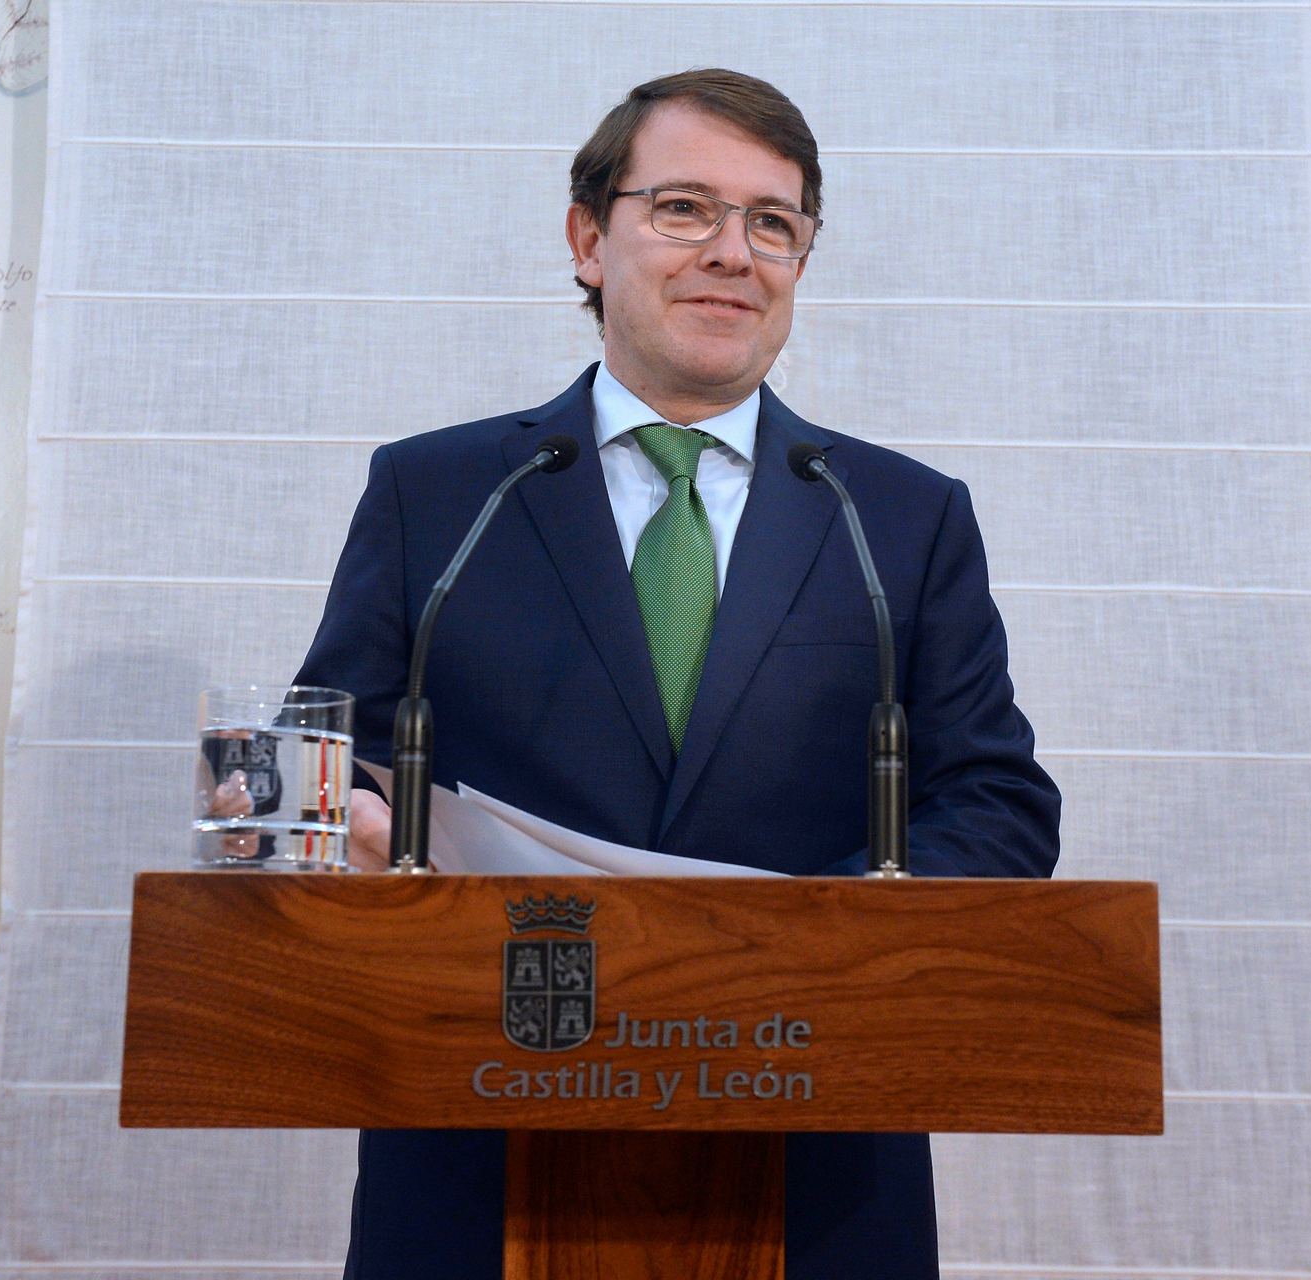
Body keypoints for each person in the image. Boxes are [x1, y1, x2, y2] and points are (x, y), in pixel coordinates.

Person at [294, 68, 1060, 1280]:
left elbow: (998, 803)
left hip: (811, 1141)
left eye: (773, 222)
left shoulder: (898, 520)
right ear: (590, 239)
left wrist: (819, 941)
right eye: (686, 209)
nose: (734, 253)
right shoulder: (440, 495)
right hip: (482, 1127)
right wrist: (347, 815)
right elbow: (329, 749)